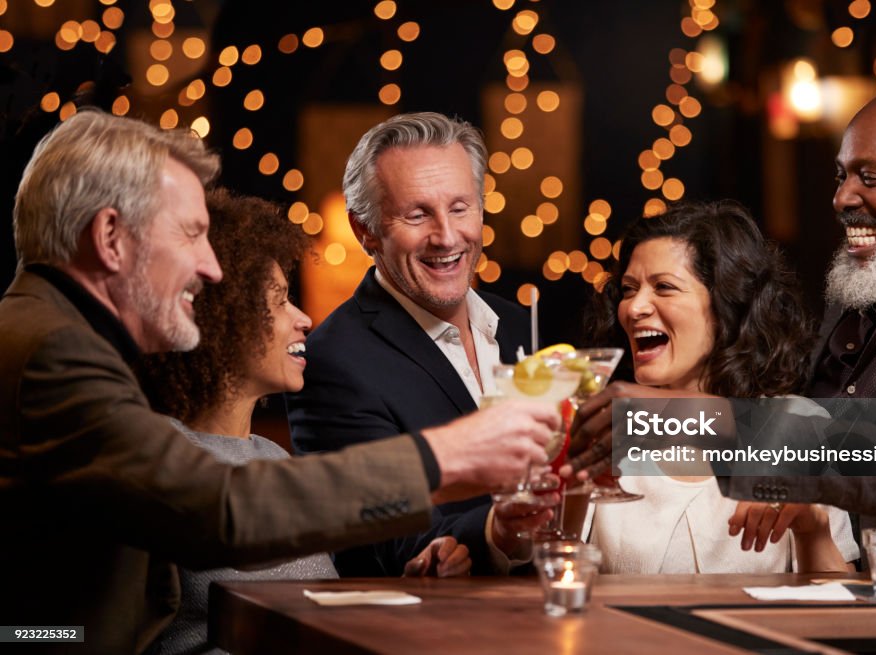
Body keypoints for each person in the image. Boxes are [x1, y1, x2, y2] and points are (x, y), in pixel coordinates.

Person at [0, 109, 557, 654]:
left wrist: (637, 429)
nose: (211, 267)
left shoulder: (49, 332)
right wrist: (444, 458)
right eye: (191, 233)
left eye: (461, 206)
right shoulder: (54, 349)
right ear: (111, 236)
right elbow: (222, 511)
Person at [570, 77, 876, 570]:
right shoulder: (850, 302)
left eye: (870, 178)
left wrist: (681, 414)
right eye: (841, 175)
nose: (842, 198)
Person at [135, 189, 471, 655]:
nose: (305, 319)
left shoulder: (270, 455)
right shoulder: (156, 459)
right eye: (277, 302)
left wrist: (411, 584)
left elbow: (308, 618)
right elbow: (58, 633)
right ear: (217, 318)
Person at [287, 112, 546, 575]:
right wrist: (494, 532)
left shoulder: (521, 326)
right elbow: (387, 539)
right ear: (365, 230)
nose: (446, 237)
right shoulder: (334, 361)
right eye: (417, 214)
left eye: (461, 208)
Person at [580, 201, 857, 573]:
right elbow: (552, 571)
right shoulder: (605, 428)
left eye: (664, 287)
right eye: (629, 290)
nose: (633, 308)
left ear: (726, 306)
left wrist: (812, 528)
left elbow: (840, 611)